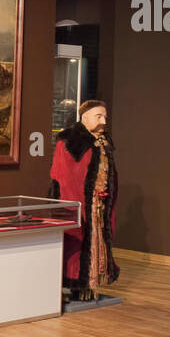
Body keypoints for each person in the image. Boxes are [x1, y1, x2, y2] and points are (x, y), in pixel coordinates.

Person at [49, 99, 118, 302]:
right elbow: (64, 175)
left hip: (100, 205)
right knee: (76, 245)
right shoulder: (71, 142)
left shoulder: (104, 142)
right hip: (78, 204)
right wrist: (73, 204)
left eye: (105, 116)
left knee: (97, 242)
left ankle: (89, 284)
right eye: (99, 116)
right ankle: (74, 283)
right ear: (85, 117)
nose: (104, 121)